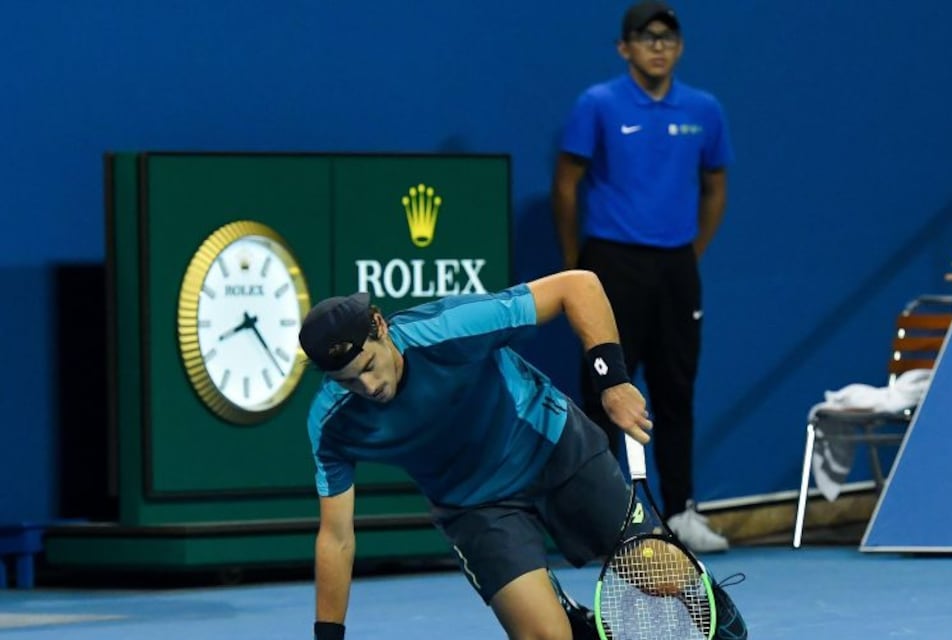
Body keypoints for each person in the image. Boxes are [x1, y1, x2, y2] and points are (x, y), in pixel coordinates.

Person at [298, 270, 746, 639]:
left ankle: (713, 606)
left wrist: (611, 382)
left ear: (380, 326)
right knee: (546, 637)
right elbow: (336, 537)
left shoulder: (450, 327)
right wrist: (328, 636)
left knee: (661, 577)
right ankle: (569, 620)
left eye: (370, 368)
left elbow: (580, 285)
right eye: (348, 382)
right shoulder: (332, 423)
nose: (368, 388)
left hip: (552, 446)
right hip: (475, 507)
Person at [551, 1, 734, 554]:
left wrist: (689, 252)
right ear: (623, 47)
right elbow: (566, 184)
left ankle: (680, 511)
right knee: (604, 390)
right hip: (610, 264)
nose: (659, 46)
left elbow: (716, 186)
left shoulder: (704, 108)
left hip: (676, 267)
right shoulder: (598, 104)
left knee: (677, 390)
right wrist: (574, 267)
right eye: (646, 37)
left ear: (679, 47)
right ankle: (610, 518)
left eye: (668, 37)